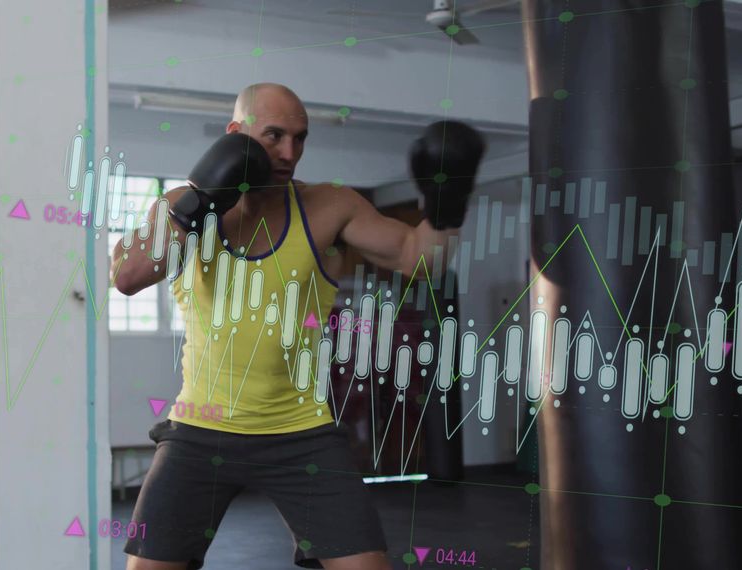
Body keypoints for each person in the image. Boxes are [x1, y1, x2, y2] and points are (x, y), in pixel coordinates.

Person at [111, 82, 484, 570]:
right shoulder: (184, 203)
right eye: (274, 136)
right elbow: (127, 277)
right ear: (235, 135)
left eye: (300, 138)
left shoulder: (330, 205)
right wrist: (201, 199)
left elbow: (419, 259)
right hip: (202, 430)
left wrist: (446, 206)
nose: (290, 152)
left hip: (301, 432)